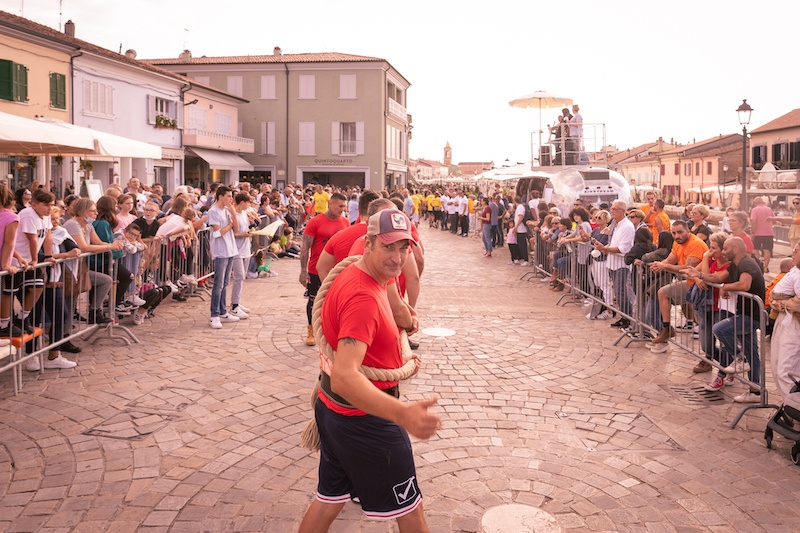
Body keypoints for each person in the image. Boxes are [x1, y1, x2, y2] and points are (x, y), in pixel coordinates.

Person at [298, 209, 440, 532]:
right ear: (368, 244)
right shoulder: (363, 297)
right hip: (365, 422)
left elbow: (395, 306)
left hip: (334, 412)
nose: (398, 257)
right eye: (388, 247)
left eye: (404, 247)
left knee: (328, 500)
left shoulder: (367, 275)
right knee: (411, 512)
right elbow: (345, 377)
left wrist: (406, 319)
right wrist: (402, 414)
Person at [695, 237, 765, 403]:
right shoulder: (736, 265)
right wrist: (699, 274)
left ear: (735, 248)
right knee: (753, 354)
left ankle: (740, 358)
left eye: (725, 248)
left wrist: (726, 287)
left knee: (719, 329)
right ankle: (755, 391)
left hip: (751, 315)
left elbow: (744, 285)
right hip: (746, 313)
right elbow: (718, 278)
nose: (723, 252)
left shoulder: (746, 264)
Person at [647, 220, 708, 352]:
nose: (676, 236)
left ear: (688, 231)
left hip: (702, 285)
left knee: (703, 322)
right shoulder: (677, 242)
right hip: (690, 283)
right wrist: (659, 264)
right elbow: (670, 260)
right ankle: (666, 328)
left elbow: (688, 268)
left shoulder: (695, 244)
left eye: (680, 232)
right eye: (674, 233)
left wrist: (665, 266)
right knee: (662, 292)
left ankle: (709, 355)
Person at [299, 192, 349, 346]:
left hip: (338, 271)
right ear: (330, 204)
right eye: (340, 206)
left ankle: (333, 331)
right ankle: (311, 330)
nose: (342, 209)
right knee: (314, 301)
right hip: (316, 269)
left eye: (344, 206)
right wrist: (303, 271)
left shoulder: (346, 222)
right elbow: (305, 247)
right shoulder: (315, 222)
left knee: (337, 302)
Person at [62, 198, 121, 325]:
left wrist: (115, 244)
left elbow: (98, 242)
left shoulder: (88, 225)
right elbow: (84, 247)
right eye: (92, 211)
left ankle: (95, 311)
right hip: (67, 268)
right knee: (69, 301)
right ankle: (63, 335)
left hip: (79, 268)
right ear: (83, 212)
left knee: (105, 280)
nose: (96, 214)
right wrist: (110, 246)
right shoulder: (73, 224)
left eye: (96, 211)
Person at [207, 186, 241, 329]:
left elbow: (236, 230)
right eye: (228, 196)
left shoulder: (227, 210)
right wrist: (230, 224)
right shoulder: (213, 211)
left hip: (230, 249)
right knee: (218, 284)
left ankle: (222, 311)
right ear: (220, 196)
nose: (230, 199)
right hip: (220, 251)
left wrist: (233, 215)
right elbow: (217, 233)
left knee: (225, 282)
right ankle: (214, 314)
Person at [750, 196, 775, 272]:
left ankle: (758, 265)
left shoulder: (754, 210)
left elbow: (753, 221)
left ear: (755, 203)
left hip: (758, 233)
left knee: (755, 249)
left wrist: (753, 232)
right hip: (769, 233)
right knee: (767, 250)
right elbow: (774, 220)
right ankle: (765, 267)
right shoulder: (769, 209)